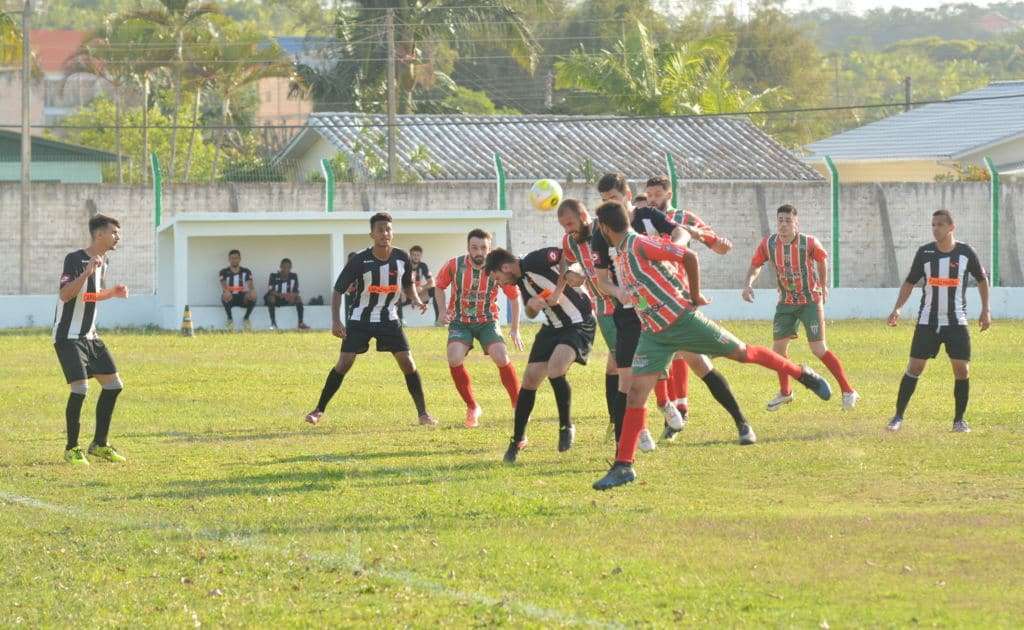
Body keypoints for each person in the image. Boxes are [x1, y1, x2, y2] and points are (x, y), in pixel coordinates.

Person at [590, 202, 832, 490]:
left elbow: (688, 256)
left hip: (682, 321)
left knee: (743, 353)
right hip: (653, 333)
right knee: (635, 395)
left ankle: (801, 374)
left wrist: (693, 296)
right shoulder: (620, 252)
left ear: (605, 228)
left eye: (597, 227)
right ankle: (624, 467)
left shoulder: (639, 244)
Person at [305, 212, 436, 427]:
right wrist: (336, 321)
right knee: (344, 363)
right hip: (360, 319)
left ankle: (423, 414)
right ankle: (318, 410)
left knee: (407, 362)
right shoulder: (359, 260)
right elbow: (338, 290)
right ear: (372, 234)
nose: (385, 233)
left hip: (388, 318)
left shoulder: (402, 257)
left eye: (388, 229)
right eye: (380, 230)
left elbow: (407, 284)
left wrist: (416, 299)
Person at [591, 173, 690, 452]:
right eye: (604, 200)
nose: (609, 204)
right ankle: (641, 428)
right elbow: (601, 278)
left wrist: (673, 248)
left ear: (626, 195)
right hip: (625, 308)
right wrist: (616, 290)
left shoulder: (647, 216)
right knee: (627, 372)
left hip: (657, 301)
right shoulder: (602, 231)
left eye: (613, 198)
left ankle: (664, 402)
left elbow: (681, 232)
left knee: (657, 362)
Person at [484, 246, 596, 463]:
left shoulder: (535, 260)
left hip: (578, 322)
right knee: (530, 379)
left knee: (556, 368)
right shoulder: (519, 281)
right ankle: (517, 441)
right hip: (553, 326)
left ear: (506, 267)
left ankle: (566, 426)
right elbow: (530, 310)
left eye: (498, 277)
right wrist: (532, 307)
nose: (499, 283)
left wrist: (560, 288)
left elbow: (565, 255)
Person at [743, 204, 859, 411]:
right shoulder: (768, 244)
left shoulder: (809, 242)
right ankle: (785, 393)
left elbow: (822, 260)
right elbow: (756, 264)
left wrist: (823, 286)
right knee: (777, 351)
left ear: (796, 223)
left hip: (810, 301)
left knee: (818, 349)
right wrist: (748, 284)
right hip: (786, 302)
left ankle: (848, 390)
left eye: (788, 220)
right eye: (780, 220)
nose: (784, 224)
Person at [644, 175, 734, 441]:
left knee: (682, 352)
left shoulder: (682, 216)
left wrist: (719, 244)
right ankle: (673, 409)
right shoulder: (642, 218)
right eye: (649, 194)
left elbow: (713, 241)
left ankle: (679, 408)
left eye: (657, 194)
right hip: (653, 294)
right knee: (670, 353)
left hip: (680, 292)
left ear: (669, 193)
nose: (652, 199)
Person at [885, 209, 991, 433]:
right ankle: (897, 417)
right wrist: (897, 308)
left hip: (956, 322)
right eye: (933, 225)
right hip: (928, 322)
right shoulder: (925, 253)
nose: (935, 229)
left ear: (951, 227)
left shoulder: (965, 252)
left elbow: (982, 280)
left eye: (940, 225)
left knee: (962, 370)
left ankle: (959, 420)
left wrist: (985, 310)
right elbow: (910, 282)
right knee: (914, 367)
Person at [52, 213, 129, 465]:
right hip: (68, 336)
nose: (118, 236)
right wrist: (85, 273)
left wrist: (111, 293)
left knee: (114, 385)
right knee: (81, 388)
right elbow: (65, 295)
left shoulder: (103, 262)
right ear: (99, 234)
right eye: (114, 232)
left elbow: (88, 297)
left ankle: (99, 444)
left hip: (90, 337)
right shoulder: (75, 259)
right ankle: (72, 448)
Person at [435, 229, 524, 428]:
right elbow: (439, 286)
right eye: (474, 247)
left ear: (489, 248)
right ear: (468, 248)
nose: (479, 252)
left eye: (483, 248)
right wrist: (441, 312)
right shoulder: (454, 265)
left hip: (487, 320)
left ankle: (518, 405)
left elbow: (514, 296)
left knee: (501, 356)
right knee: (454, 357)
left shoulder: (498, 268)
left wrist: (515, 328)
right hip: (460, 320)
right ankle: (472, 406)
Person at [555, 199, 624, 441]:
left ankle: (665, 407)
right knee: (619, 363)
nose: (568, 230)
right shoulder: (569, 241)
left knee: (630, 362)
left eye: (571, 223)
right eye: (563, 226)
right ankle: (619, 423)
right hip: (605, 308)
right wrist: (570, 273)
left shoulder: (606, 231)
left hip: (630, 304)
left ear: (584, 215)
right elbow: (567, 258)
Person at [264, 258, 310, 331]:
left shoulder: (294, 276)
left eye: (288, 267)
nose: (286, 269)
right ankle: (273, 323)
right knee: (271, 297)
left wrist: (292, 296)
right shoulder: (273, 276)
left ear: (290, 268)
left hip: (287, 299)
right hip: (276, 298)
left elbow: (296, 291)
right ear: (280, 267)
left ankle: (300, 323)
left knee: (298, 298)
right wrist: (282, 295)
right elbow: (271, 290)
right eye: (284, 267)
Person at [219, 249, 256, 331]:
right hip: (231, 297)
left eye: (236, 258)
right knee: (225, 295)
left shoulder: (246, 271)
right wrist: (226, 291)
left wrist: (252, 290)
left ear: (239, 259)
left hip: (242, 297)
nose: (234, 260)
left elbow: (250, 284)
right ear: (229, 259)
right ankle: (229, 320)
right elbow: (223, 285)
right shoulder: (224, 271)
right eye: (232, 258)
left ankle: (246, 319)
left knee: (253, 295)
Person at [409, 245, 442, 324]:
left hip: (419, 294)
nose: (416, 257)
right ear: (410, 255)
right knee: (397, 291)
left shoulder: (423, 266)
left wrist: (422, 288)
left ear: (421, 256)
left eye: (418, 255)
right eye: (414, 255)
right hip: (407, 294)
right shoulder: (405, 265)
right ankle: (401, 320)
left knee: (435, 290)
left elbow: (432, 283)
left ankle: (438, 320)